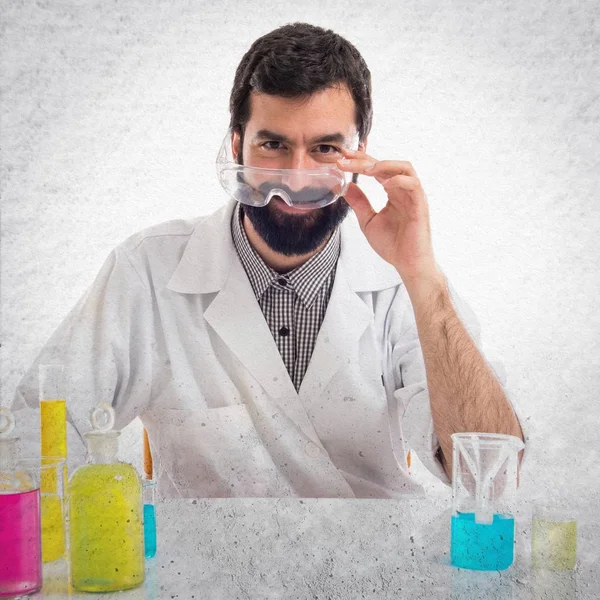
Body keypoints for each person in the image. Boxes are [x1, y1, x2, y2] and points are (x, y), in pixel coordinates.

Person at [13, 22, 524, 498]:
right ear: (237, 143)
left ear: (360, 154)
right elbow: (37, 440)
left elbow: (491, 479)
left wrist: (422, 275)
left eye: (325, 148)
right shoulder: (147, 271)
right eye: (273, 144)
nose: (297, 180)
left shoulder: (401, 283)